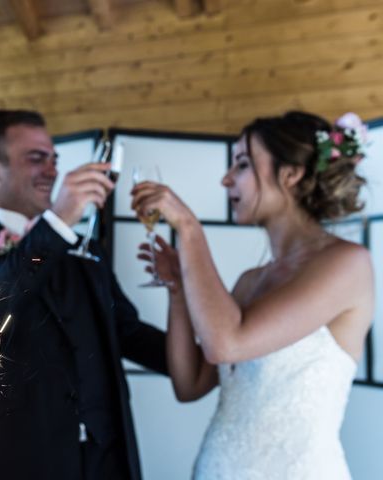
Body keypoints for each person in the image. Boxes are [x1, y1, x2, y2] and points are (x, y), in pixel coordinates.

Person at [131, 111, 374, 479]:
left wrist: (189, 227)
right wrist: (178, 290)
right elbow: (190, 384)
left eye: (242, 164)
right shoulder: (249, 281)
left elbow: (225, 343)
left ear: (291, 174)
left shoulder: (347, 264)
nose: (226, 179)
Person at [0, 109, 167, 480]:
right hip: (18, 462)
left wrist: (222, 357)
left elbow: (128, 334)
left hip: (104, 461)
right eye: (36, 158)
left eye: (54, 159)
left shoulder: (87, 252)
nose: (53, 170)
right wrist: (56, 223)